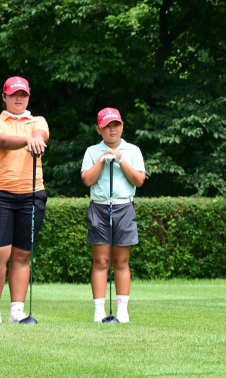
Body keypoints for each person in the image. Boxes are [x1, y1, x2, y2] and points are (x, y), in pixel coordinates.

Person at [0, 76, 49, 323]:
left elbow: (41, 134)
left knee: (22, 255)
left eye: (23, 95)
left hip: (32, 195)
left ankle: (17, 311)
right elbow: (2, 142)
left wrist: (34, 138)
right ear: (4, 97)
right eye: (13, 95)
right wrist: (26, 141)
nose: (19, 99)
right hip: (0, 195)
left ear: (28, 96)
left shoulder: (37, 121)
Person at [81, 108, 145, 323]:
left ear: (122, 126)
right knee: (100, 261)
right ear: (99, 129)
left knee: (121, 261)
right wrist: (102, 159)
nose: (112, 129)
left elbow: (138, 180)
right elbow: (87, 180)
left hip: (123, 207)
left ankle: (122, 310)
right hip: (99, 207)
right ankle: (99, 310)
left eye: (115, 125)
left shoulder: (133, 150)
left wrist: (120, 160)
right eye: (107, 126)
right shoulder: (92, 151)